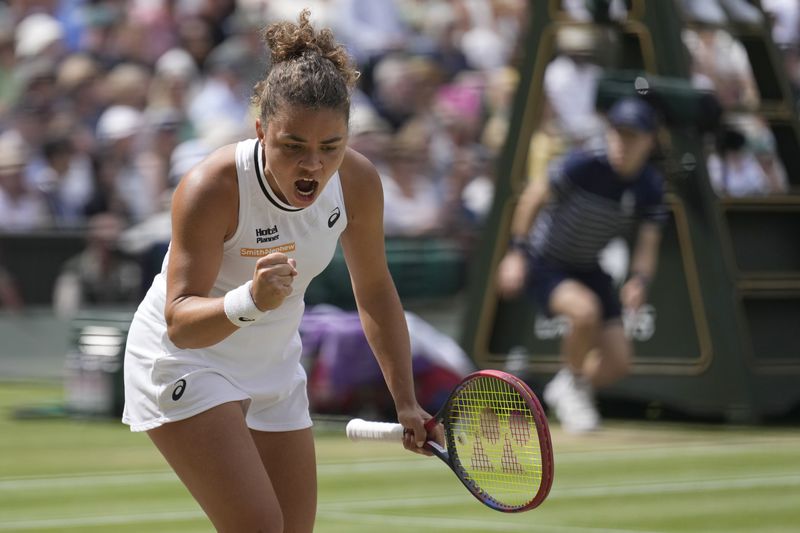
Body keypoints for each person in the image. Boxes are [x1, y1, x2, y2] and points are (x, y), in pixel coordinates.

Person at [122, 10, 439, 532]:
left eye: (330, 147)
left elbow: (376, 291)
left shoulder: (357, 182)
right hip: (184, 360)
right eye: (293, 146)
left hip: (273, 364)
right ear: (261, 131)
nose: (313, 165)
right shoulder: (211, 187)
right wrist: (250, 300)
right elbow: (179, 319)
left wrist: (406, 401)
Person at [496, 96, 667, 433]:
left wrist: (640, 279)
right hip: (544, 261)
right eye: (617, 134)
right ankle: (572, 384)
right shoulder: (584, 163)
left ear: (649, 141)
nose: (622, 143)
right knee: (584, 312)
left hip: (588, 266)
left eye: (632, 136)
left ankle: (565, 386)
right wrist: (516, 251)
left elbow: (649, 243)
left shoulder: (650, 186)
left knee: (619, 362)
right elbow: (534, 195)